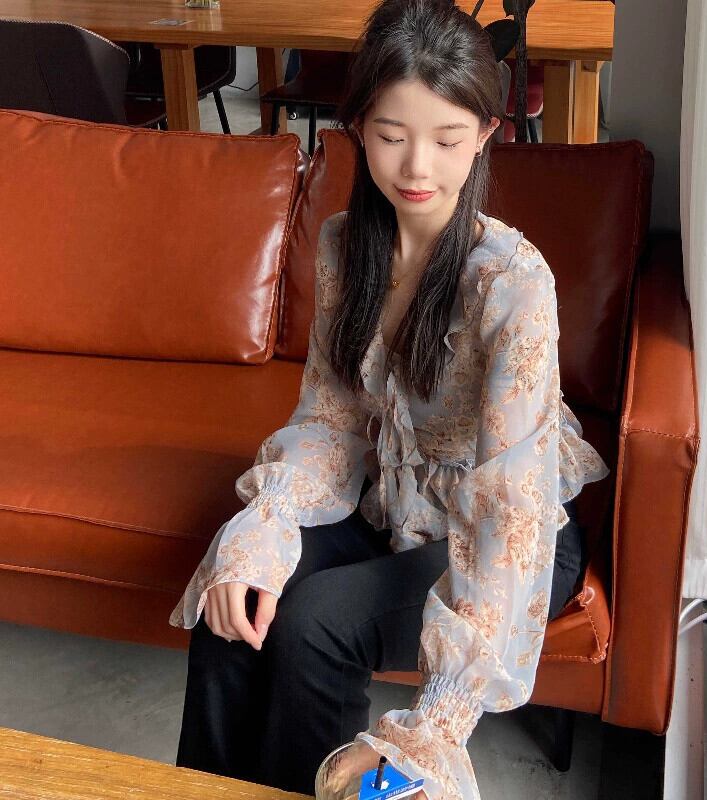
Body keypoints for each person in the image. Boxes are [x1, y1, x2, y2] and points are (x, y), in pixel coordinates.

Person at [170, 1, 611, 798]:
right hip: (394, 506)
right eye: (391, 135)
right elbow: (331, 420)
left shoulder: (511, 282)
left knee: (315, 622)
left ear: (484, 135)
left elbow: (509, 508)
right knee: (236, 598)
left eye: (446, 140)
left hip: (509, 539)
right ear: (358, 127)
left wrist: (438, 719)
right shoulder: (345, 245)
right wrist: (266, 524)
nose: (417, 168)